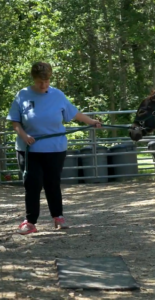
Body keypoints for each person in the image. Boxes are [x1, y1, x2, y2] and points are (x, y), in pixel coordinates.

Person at [6, 61, 101, 235]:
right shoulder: (23, 95)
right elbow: (15, 121)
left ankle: (58, 217)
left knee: (52, 183)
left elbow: (74, 113)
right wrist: (24, 136)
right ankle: (30, 221)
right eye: (40, 82)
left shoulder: (57, 95)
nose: (44, 85)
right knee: (32, 184)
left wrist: (92, 121)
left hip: (55, 149)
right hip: (29, 149)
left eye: (47, 81)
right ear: (33, 79)